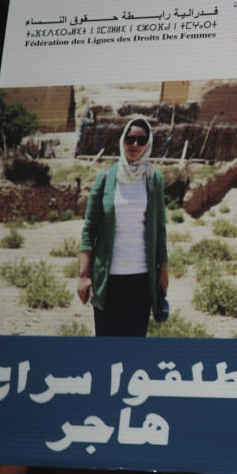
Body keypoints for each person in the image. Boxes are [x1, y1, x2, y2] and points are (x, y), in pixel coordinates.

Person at [78, 117, 168, 337]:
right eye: (130, 139)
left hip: (141, 279)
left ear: (148, 144)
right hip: (108, 280)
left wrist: (163, 272)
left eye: (140, 140)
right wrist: (83, 275)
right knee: (105, 343)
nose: (134, 145)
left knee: (134, 346)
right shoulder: (106, 179)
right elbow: (89, 230)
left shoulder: (153, 180)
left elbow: (160, 229)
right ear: (122, 141)